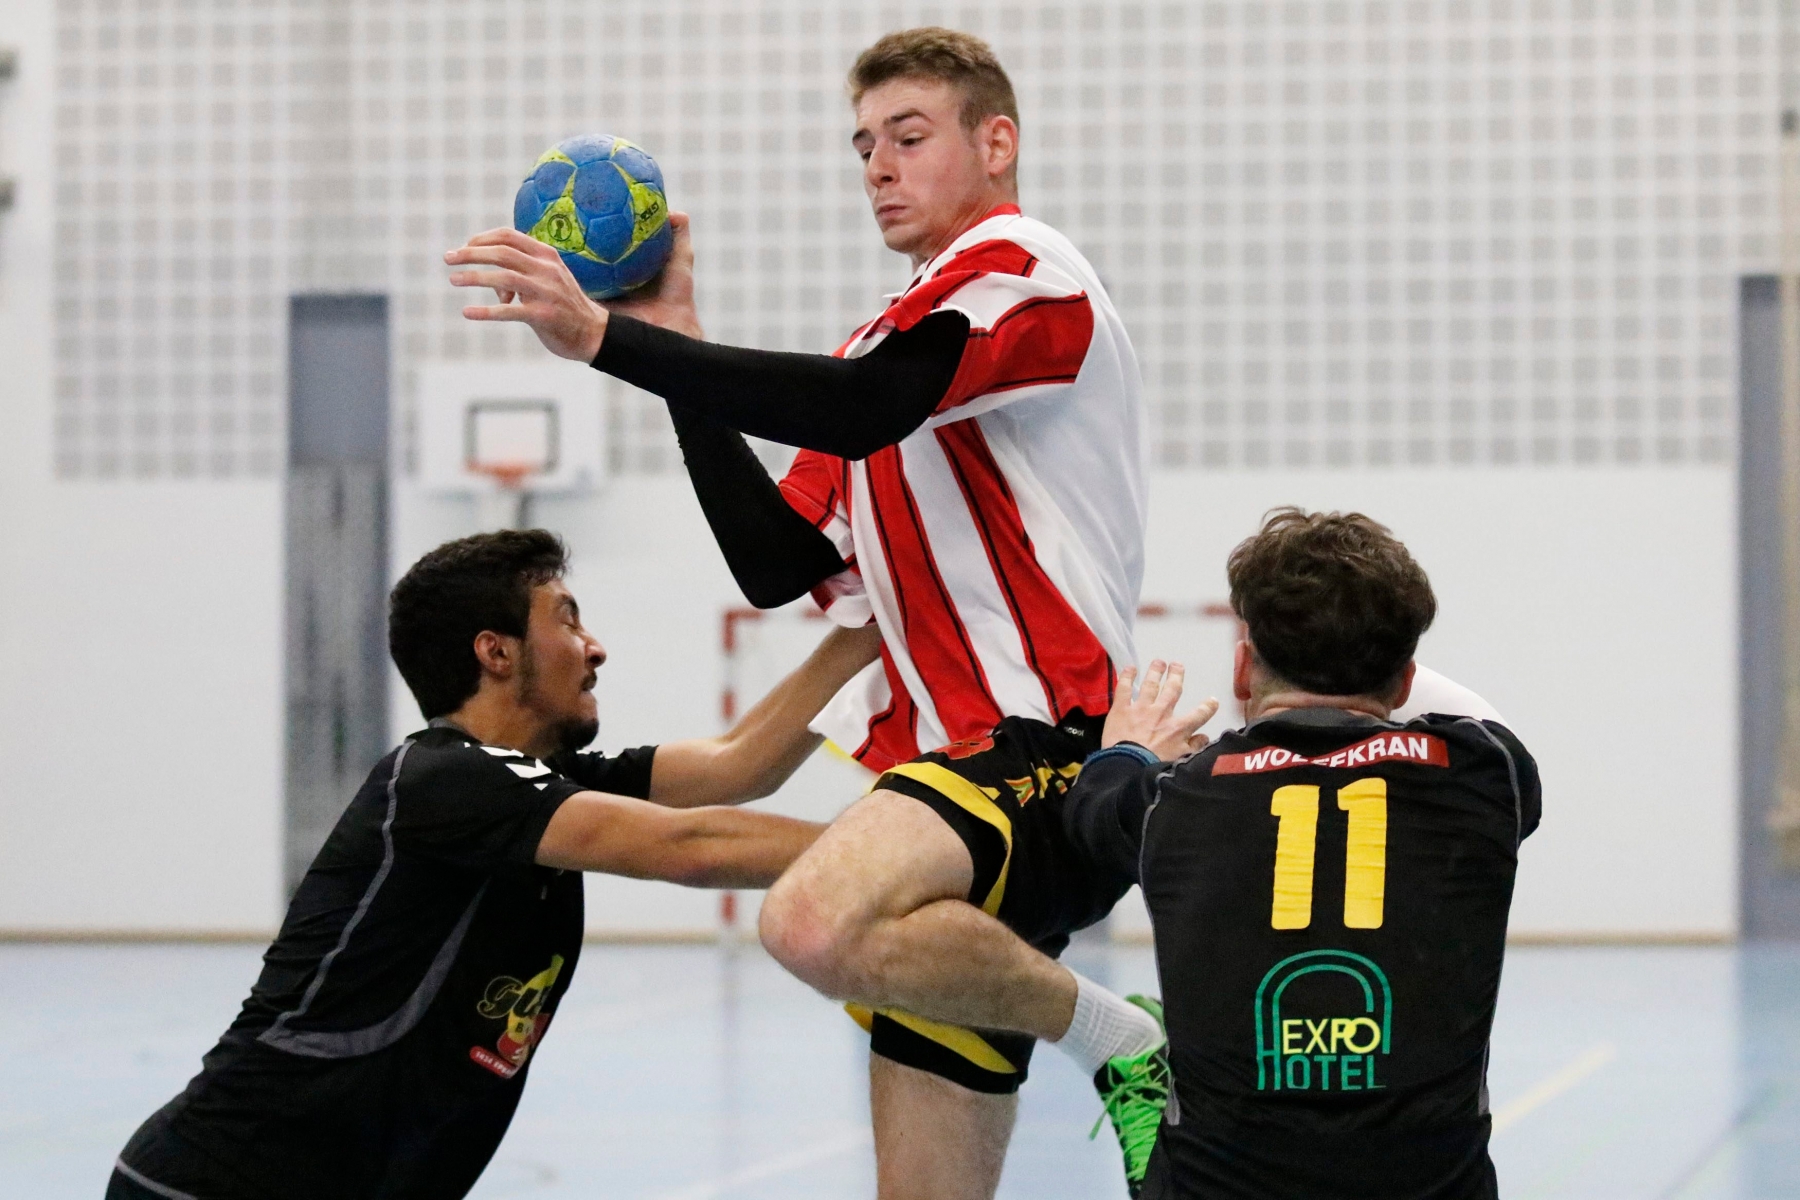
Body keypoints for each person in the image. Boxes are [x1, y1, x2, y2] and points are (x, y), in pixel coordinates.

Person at [445, 27, 1182, 1200]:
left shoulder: (1022, 269)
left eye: (909, 136)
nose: (879, 166)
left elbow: (861, 407)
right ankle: (1088, 1025)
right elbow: (774, 560)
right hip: (940, 791)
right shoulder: (886, 347)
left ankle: (1121, 1039)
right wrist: (675, 349)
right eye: (863, 146)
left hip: (1044, 758)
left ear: (998, 143)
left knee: (806, 921)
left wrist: (607, 343)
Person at [107, 529, 881, 1200]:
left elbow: (737, 762)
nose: (596, 646)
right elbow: (689, 847)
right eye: (569, 620)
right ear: (496, 651)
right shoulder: (443, 780)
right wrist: (924, 846)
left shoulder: (541, 783)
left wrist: (877, 617)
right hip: (214, 1184)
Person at [1058, 508, 1540, 1197]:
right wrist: (1364, 635)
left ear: (1241, 667)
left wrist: (1130, 749)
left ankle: (1127, 1054)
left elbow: (1089, 813)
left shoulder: (1173, 796)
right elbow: (1484, 719)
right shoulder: (1485, 773)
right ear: (1404, 680)